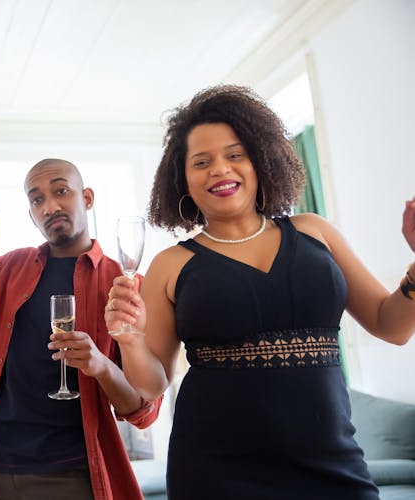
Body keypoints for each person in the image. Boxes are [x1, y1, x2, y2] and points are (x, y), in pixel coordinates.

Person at [105, 85, 415, 500]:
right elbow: (152, 385)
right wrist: (130, 340)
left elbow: (390, 325)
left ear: (262, 160)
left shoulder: (316, 233)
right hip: (216, 474)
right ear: (183, 179)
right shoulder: (170, 264)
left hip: (334, 466)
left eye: (235, 155)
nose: (220, 169)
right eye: (202, 161)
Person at [0, 159, 162, 500]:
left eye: (61, 191)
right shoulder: (9, 267)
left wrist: (101, 366)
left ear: (86, 197)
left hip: (71, 476)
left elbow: (143, 412)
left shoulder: (124, 285)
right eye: (37, 199)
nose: (50, 206)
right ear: (31, 214)